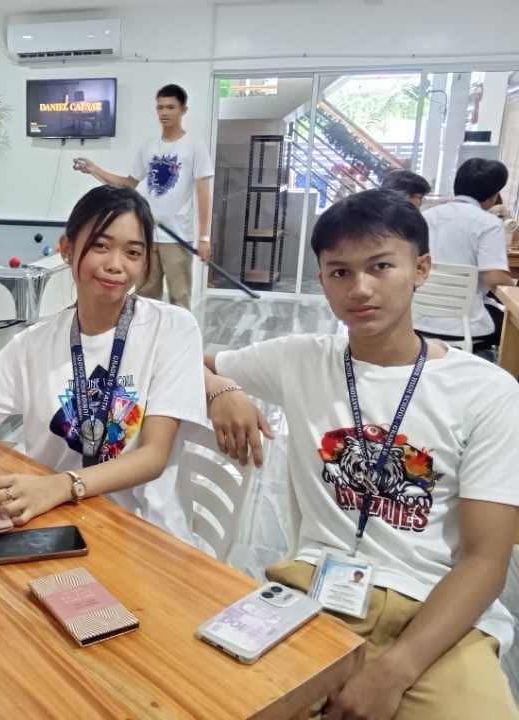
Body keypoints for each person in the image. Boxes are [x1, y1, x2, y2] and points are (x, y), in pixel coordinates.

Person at [202, 189, 519, 719]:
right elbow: (188, 359)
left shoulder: (486, 392)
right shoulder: (301, 360)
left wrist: (394, 671)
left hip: (436, 614)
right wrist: (222, 390)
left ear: (421, 269)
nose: (360, 288)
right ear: (322, 280)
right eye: (340, 272)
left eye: (380, 266)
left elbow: (487, 561)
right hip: (312, 595)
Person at [0, 185, 207, 541]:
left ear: (146, 262)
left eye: (133, 252)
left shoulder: (173, 328)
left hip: (146, 534)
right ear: (67, 249)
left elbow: (153, 455)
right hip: (54, 526)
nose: (115, 265)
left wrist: (62, 485)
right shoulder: (34, 344)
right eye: (100, 246)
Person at [73, 84, 213, 310]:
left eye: (170, 107)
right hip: (146, 235)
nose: (164, 112)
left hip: (177, 237)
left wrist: (204, 237)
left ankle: (179, 335)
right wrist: (94, 170)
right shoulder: (148, 147)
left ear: (183, 110)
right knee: (144, 298)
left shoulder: (195, 146)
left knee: (179, 298)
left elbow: (203, 192)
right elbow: (129, 185)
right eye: (160, 107)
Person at [416, 158, 513, 347]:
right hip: (465, 326)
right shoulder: (489, 223)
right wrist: (513, 286)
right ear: (493, 196)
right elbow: (494, 277)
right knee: (512, 321)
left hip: (416, 321)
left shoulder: (424, 217)